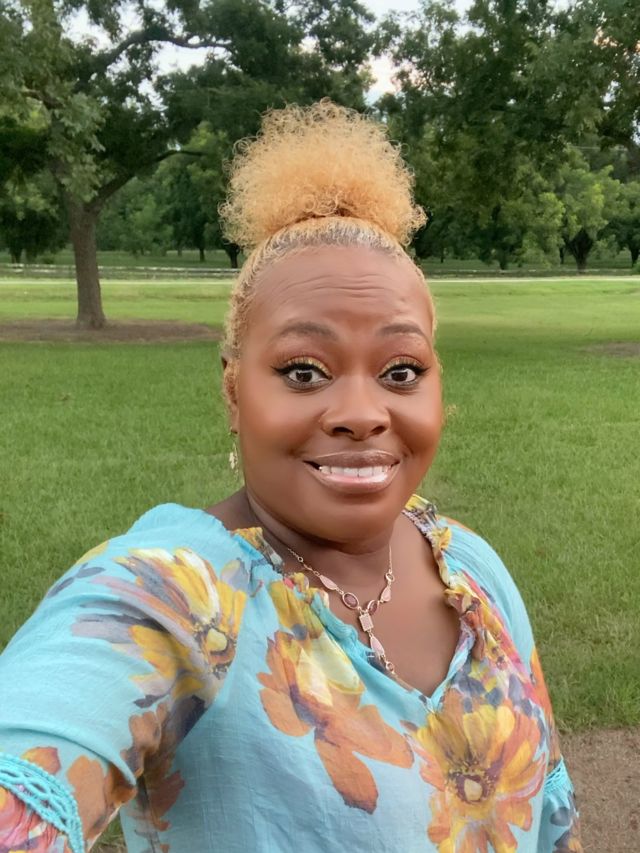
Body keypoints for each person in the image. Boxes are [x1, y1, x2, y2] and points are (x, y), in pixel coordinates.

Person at [0, 101, 581, 853]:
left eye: (401, 370)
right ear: (233, 389)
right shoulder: (177, 596)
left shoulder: (474, 574)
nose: (362, 413)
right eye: (304, 371)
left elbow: (551, 817)